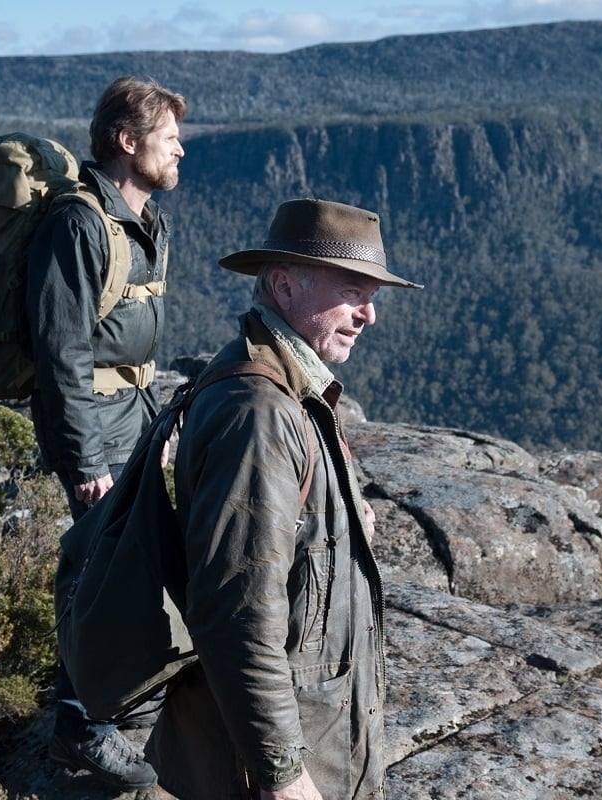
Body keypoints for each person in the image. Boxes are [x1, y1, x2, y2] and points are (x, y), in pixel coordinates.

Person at [149, 199, 420, 800]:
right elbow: (237, 610)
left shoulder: (292, 389)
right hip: (268, 765)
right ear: (282, 285)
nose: (369, 314)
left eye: (374, 294)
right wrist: (279, 771)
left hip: (317, 734)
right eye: (353, 290)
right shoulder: (259, 415)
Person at [26, 75, 185, 790]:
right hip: (98, 428)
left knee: (132, 567)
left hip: (138, 417)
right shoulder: (79, 224)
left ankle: (108, 709)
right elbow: (59, 349)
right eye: (169, 139)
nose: (181, 151)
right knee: (100, 578)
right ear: (127, 141)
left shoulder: (141, 219)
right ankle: (80, 731)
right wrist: (85, 457)